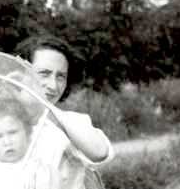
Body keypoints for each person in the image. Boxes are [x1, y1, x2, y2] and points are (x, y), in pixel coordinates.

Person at [17, 35, 114, 166]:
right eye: (44, 73)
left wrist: (44, 107)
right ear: (22, 73)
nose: (53, 85)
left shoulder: (72, 122)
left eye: (61, 77)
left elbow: (99, 153)